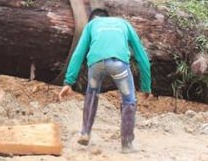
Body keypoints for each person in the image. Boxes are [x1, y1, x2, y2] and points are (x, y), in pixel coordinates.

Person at [59, 8, 151, 153]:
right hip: (119, 65)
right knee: (128, 100)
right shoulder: (124, 23)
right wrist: (146, 87)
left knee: (92, 92)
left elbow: (78, 53)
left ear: (93, 19)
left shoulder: (91, 26)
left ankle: (85, 132)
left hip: (96, 65)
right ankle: (127, 144)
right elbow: (141, 55)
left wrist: (68, 82)